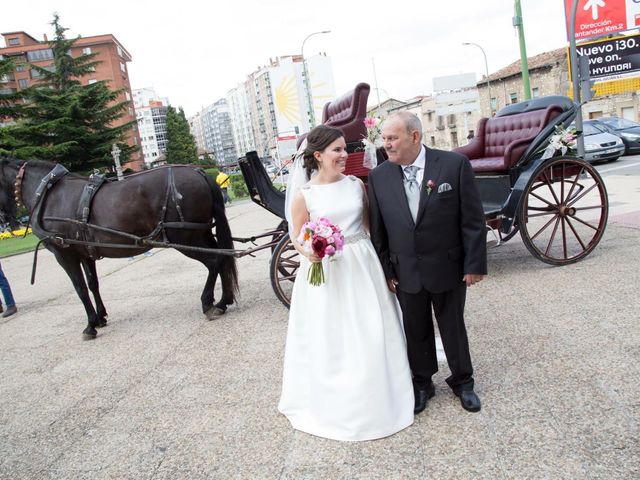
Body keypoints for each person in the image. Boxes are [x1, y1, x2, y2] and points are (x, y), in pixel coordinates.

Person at [278, 125, 414, 441]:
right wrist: (310, 251)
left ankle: (382, 385)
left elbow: (369, 226)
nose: (344, 155)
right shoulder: (305, 195)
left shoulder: (356, 186)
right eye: (337, 150)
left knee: (371, 325)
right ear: (318, 155)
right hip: (326, 270)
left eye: (345, 149)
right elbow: (296, 236)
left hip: (361, 263)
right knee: (332, 330)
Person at [368, 112, 487, 414]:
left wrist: (474, 264)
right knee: (415, 329)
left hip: (447, 266)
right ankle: (422, 384)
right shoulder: (378, 177)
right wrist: (387, 270)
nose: (386, 145)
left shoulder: (453, 165)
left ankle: (463, 382)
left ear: (415, 136)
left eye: (392, 138)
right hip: (405, 269)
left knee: (452, 326)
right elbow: (378, 229)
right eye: (384, 139)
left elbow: (472, 220)